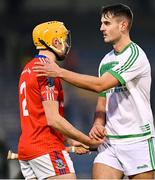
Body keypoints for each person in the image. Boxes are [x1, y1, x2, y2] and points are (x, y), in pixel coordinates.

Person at [32, 4, 155, 179]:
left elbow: (100, 85)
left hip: (137, 140)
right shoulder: (106, 60)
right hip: (110, 142)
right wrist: (98, 123)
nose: (101, 28)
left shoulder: (135, 56)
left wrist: (59, 72)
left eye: (106, 23)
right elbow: (102, 99)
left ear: (123, 25)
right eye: (101, 23)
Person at [18, 20, 103, 180]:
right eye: (64, 39)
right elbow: (53, 119)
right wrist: (87, 141)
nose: (66, 44)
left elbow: (40, 117)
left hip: (28, 150)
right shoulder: (47, 70)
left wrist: (71, 140)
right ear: (55, 42)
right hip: (46, 148)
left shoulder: (28, 68)